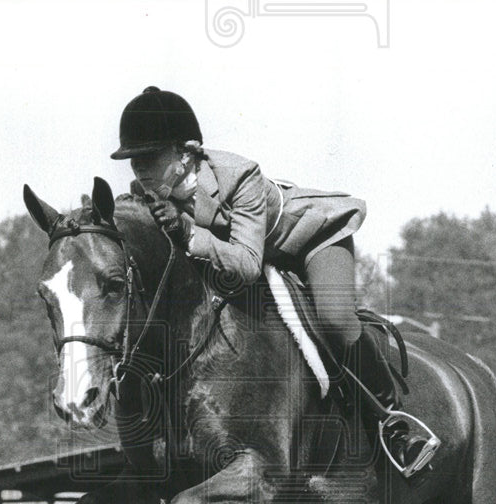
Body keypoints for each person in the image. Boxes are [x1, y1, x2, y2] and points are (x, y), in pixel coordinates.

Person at [110, 86, 437, 477]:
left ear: (185, 153)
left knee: (334, 318)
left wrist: (187, 232)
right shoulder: (146, 195)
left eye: (149, 157)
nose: (140, 170)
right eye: (133, 161)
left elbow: (247, 262)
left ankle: (393, 422)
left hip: (308, 240)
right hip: (249, 254)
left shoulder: (239, 175)